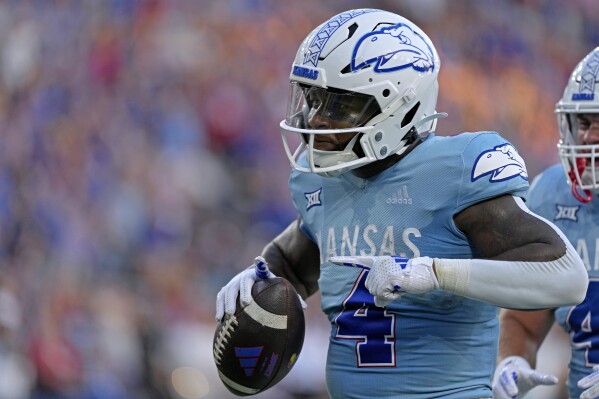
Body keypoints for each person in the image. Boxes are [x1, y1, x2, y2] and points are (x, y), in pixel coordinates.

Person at [215, 9, 588, 398]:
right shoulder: (322, 180)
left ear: (400, 107)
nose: (317, 120)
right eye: (314, 100)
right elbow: (296, 261)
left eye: (339, 106)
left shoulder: (455, 170)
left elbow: (566, 275)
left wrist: (436, 272)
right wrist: (260, 277)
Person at [493, 47, 599, 399]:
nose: (589, 138)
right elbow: (525, 318)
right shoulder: (554, 196)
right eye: (584, 123)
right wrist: (514, 360)